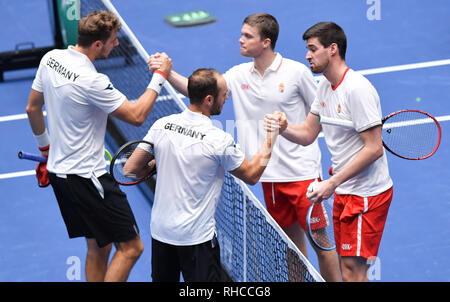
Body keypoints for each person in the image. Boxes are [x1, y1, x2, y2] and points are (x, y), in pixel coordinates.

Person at [148, 13, 340, 282]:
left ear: (266, 42)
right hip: (269, 178)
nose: (240, 39)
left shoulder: (296, 73)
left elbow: (319, 110)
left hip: (302, 175)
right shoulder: (238, 75)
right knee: (291, 247)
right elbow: (198, 90)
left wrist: (301, 133)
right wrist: (167, 73)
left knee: (320, 241)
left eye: (247, 36)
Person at [25, 10, 172, 282]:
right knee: (131, 248)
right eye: (113, 40)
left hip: (60, 175)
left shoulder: (50, 59)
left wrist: (45, 151)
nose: (116, 44)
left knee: (98, 245)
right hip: (88, 180)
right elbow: (137, 115)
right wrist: (160, 76)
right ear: (97, 44)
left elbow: (32, 108)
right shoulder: (92, 80)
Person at [265, 22, 394, 282]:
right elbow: (308, 134)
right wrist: (284, 128)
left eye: (313, 49)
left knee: (352, 273)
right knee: (350, 272)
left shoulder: (357, 90)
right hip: (345, 191)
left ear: (332, 49)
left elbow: (374, 148)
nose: (307, 55)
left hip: (367, 195)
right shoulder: (324, 87)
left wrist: (331, 183)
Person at [123, 68, 279, 282]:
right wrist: (272, 136)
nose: (226, 98)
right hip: (196, 240)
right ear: (208, 99)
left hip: (161, 233)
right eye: (224, 94)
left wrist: (159, 162)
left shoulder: (162, 125)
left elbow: (130, 169)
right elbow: (252, 175)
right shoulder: (219, 140)